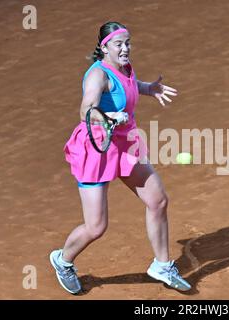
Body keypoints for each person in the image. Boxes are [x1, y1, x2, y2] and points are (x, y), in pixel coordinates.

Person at [50, 21, 191, 294]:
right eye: (118, 44)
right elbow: (86, 109)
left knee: (158, 200)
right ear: (104, 48)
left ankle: (162, 265)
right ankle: (63, 260)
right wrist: (109, 116)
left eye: (127, 43)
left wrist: (148, 88)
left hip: (125, 145)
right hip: (97, 149)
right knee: (96, 226)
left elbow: (126, 85)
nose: (125, 48)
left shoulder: (124, 67)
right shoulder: (97, 76)